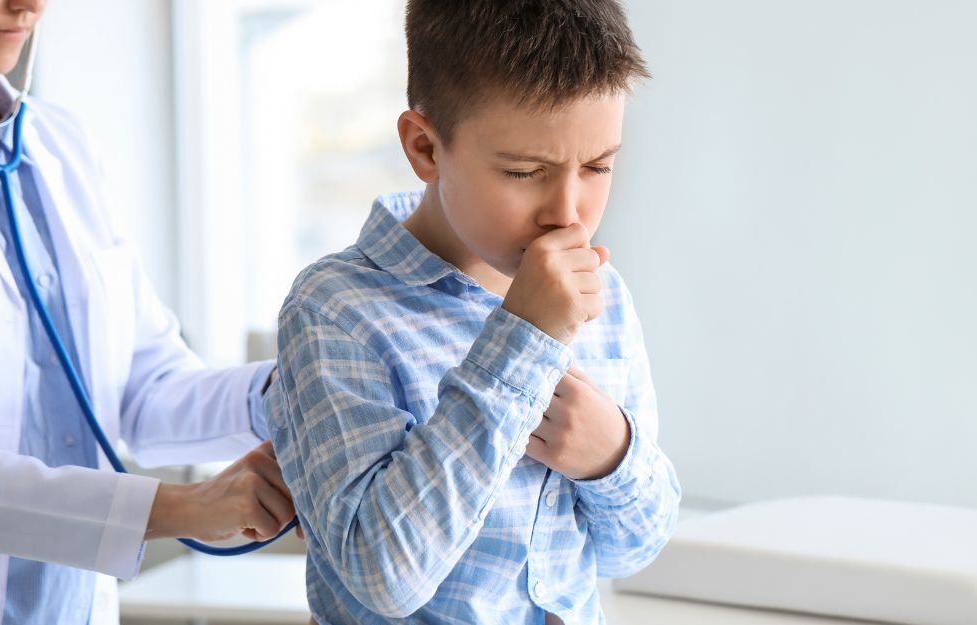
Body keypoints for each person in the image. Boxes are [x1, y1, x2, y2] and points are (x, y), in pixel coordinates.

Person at [265, 1, 681, 623]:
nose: (568, 213)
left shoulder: (604, 294)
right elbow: (386, 577)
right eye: (524, 171)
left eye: (598, 166)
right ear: (425, 147)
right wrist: (525, 338)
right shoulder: (337, 311)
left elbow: (632, 551)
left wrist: (610, 457)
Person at [0, 1, 299, 624]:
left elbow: (139, 389)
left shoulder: (60, 143)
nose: (30, 5)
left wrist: (290, 394)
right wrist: (183, 508)